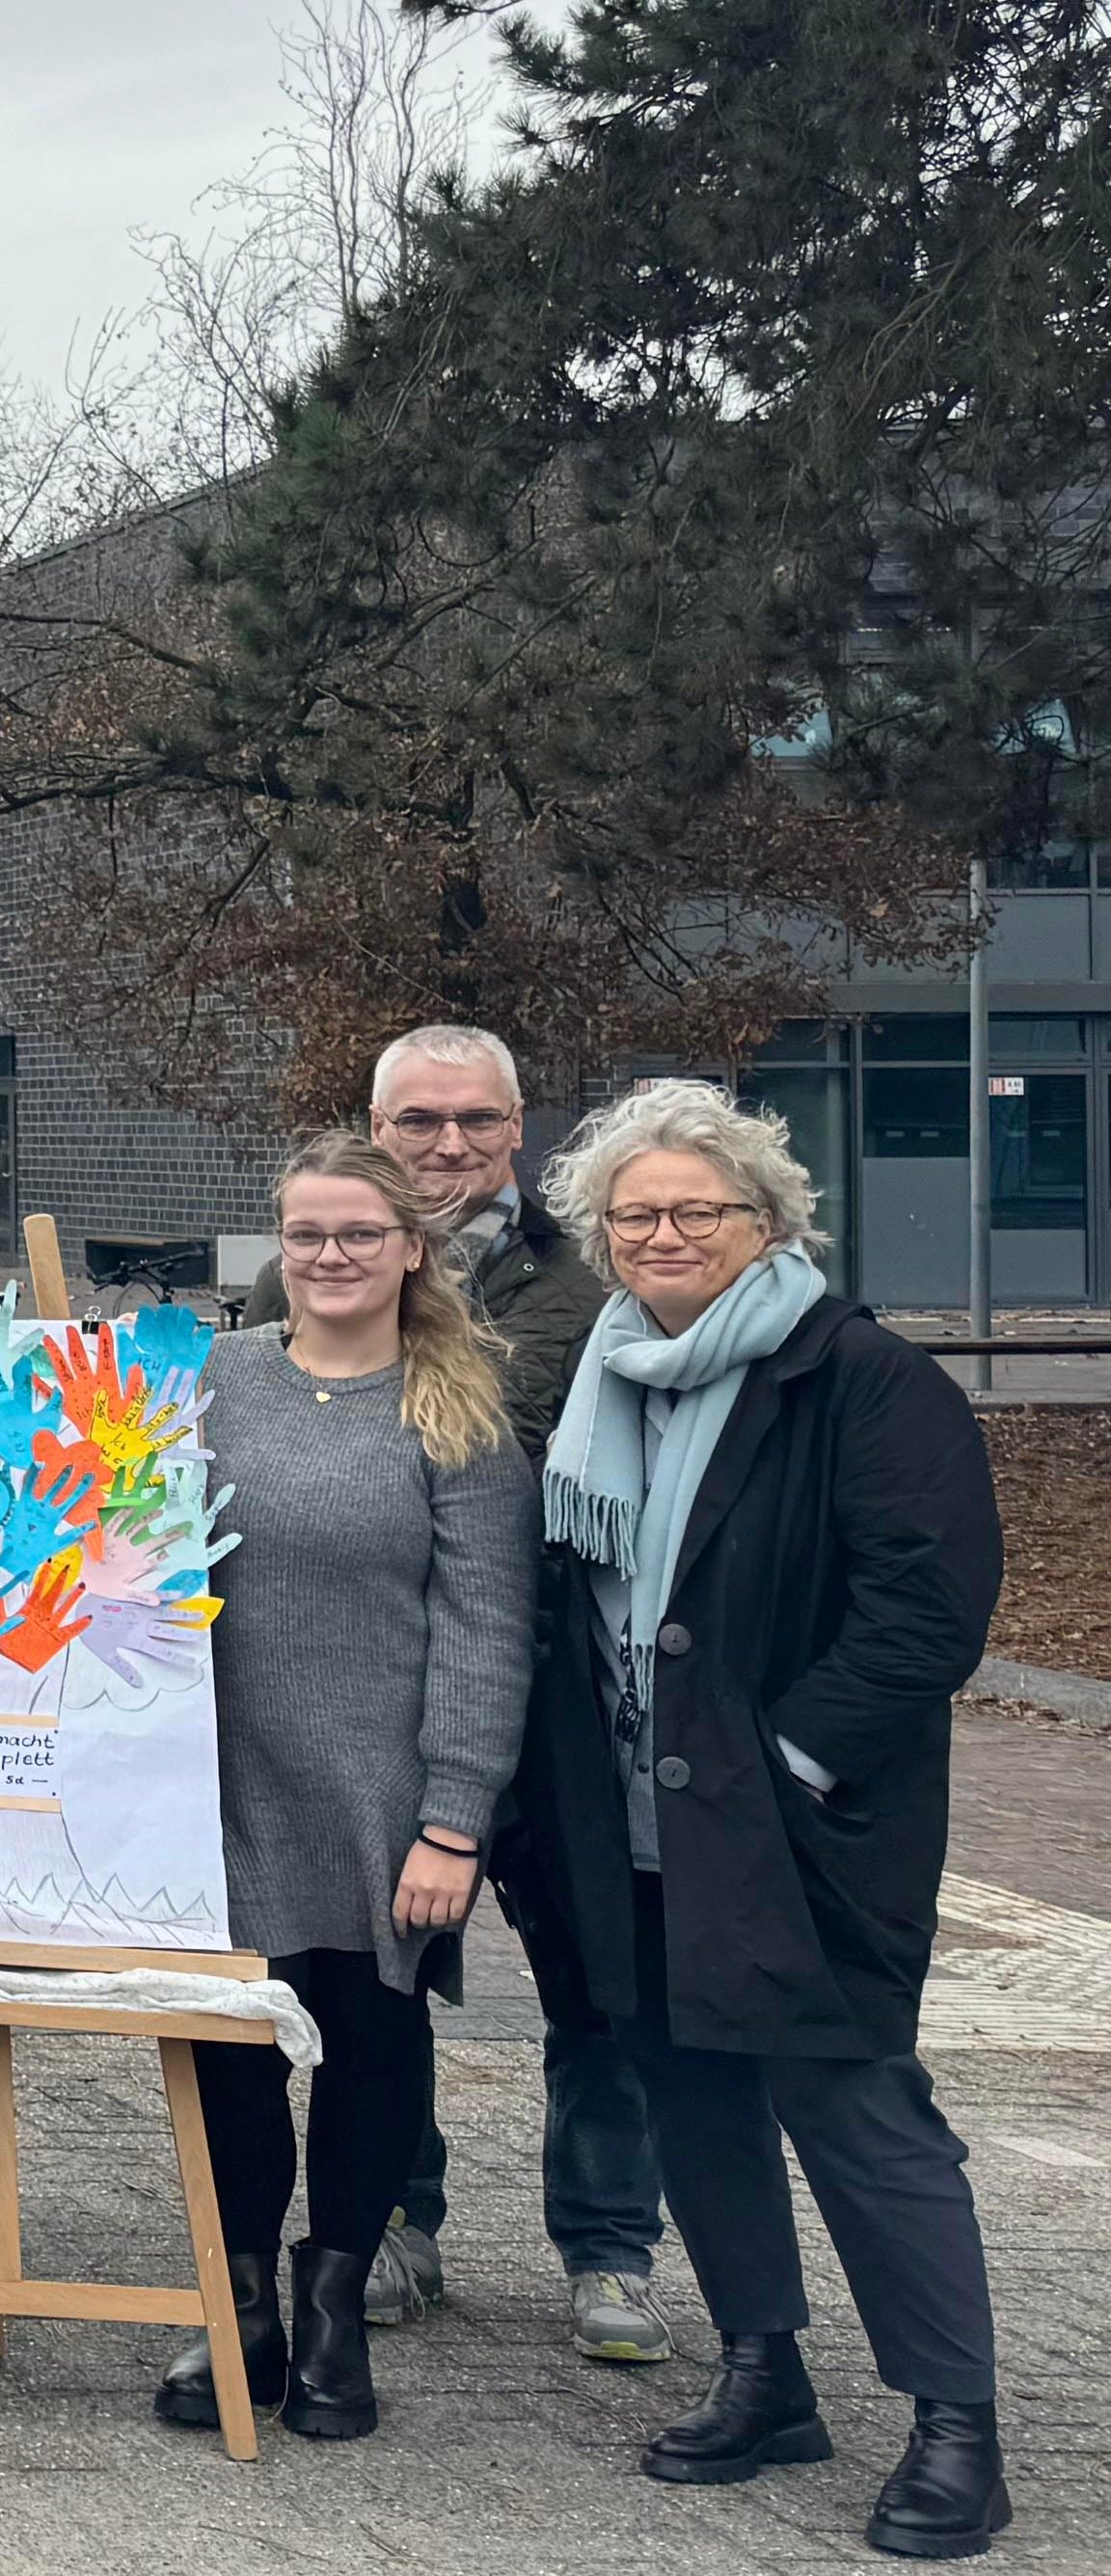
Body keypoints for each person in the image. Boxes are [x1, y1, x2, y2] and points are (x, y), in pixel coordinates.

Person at [518, 1081, 1010, 2560]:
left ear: (768, 1222)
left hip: (796, 1827)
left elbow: (926, 1611)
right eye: (636, 1214)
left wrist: (788, 1762)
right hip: (634, 1821)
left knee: (857, 2108)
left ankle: (957, 2425)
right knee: (690, 2095)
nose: (664, 1233)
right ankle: (763, 2370)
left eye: (697, 1210)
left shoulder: (859, 1379)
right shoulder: (604, 1379)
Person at [159, 1134, 532, 2445]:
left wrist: (455, 1816)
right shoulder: (214, 1380)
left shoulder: (460, 1407)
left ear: (412, 1248)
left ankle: (335, 2311)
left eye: (359, 1233)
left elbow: (489, 1623)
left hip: (385, 1793)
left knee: (371, 2046)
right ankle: (241, 2307)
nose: (329, 1255)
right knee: (233, 2053)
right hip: (219, 1779)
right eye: (307, 1233)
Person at [340, 1022, 661, 2350]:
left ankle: (607, 2247)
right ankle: (396, 2220)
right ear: (379, 1130)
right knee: (382, 1964)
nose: (450, 1144)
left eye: (475, 1119)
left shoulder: (601, 1282)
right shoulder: (329, 1269)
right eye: (419, 1120)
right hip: (392, 1691)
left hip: (570, 1692)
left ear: (518, 1124)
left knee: (599, 1973)